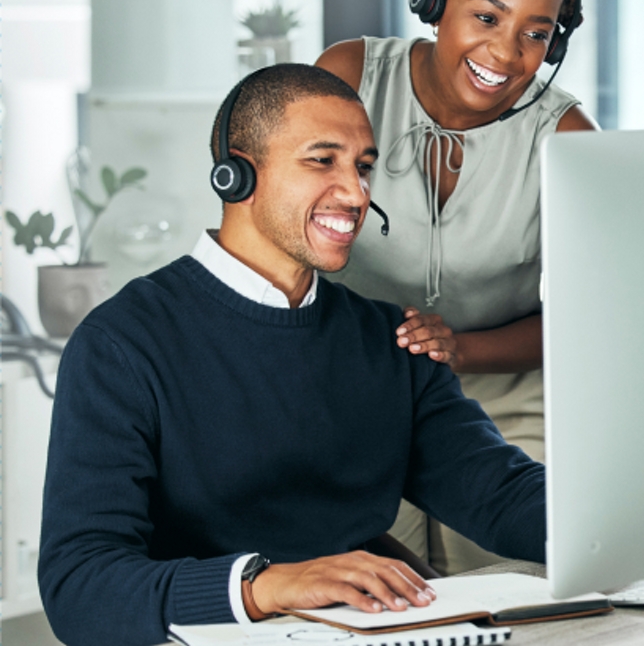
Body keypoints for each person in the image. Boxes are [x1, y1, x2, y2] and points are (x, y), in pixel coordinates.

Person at [37, 64, 546, 646]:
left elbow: (499, 495)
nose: (355, 193)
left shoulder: (390, 339)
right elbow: (79, 587)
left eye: (363, 167)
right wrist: (270, 586)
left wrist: (631, 519)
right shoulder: (122, 344)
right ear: (237, 174)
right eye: (321, 160)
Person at [315, 0, 596, 575]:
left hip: (508, 398)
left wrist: (463, 349)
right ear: (436, 4)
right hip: (357, 393)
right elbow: (279, 221)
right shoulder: (349, 76)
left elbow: (589, 321)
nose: (506, 53)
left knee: (521, 587)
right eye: (487, 17)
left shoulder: (569, 139)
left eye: (537, 32)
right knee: (388, 592)